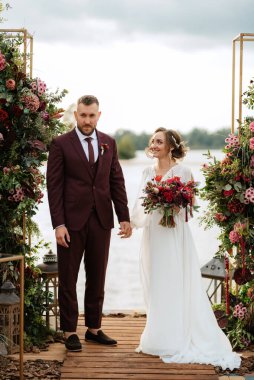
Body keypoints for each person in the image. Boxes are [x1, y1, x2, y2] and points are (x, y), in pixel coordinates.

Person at [131, 127, 241, 370]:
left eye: (159, 141)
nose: (154, 145)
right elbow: (139, 204)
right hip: (153, 234)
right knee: (157, 282)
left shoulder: (184, 171)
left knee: (175, 280)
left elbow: (189, 207)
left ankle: (176, 336)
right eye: (152, 141)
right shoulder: (147, 171)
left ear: (170, 146)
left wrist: (172, 200)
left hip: (174, 234)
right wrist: (132, 224)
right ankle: (157, 336)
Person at [47, 95, 132, 352]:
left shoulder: (109, 142)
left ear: (98, 115)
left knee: (98, 275)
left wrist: (124, 217)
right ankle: (70, 331)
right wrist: (58, 224)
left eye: (91, 115)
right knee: (69, 277)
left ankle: (94, 328)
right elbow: (54, 186)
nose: (87, 120)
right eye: (83, 115)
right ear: (76, 115)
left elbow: (116, 180)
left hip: (101, 219)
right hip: (71, 222)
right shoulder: (61, 144)